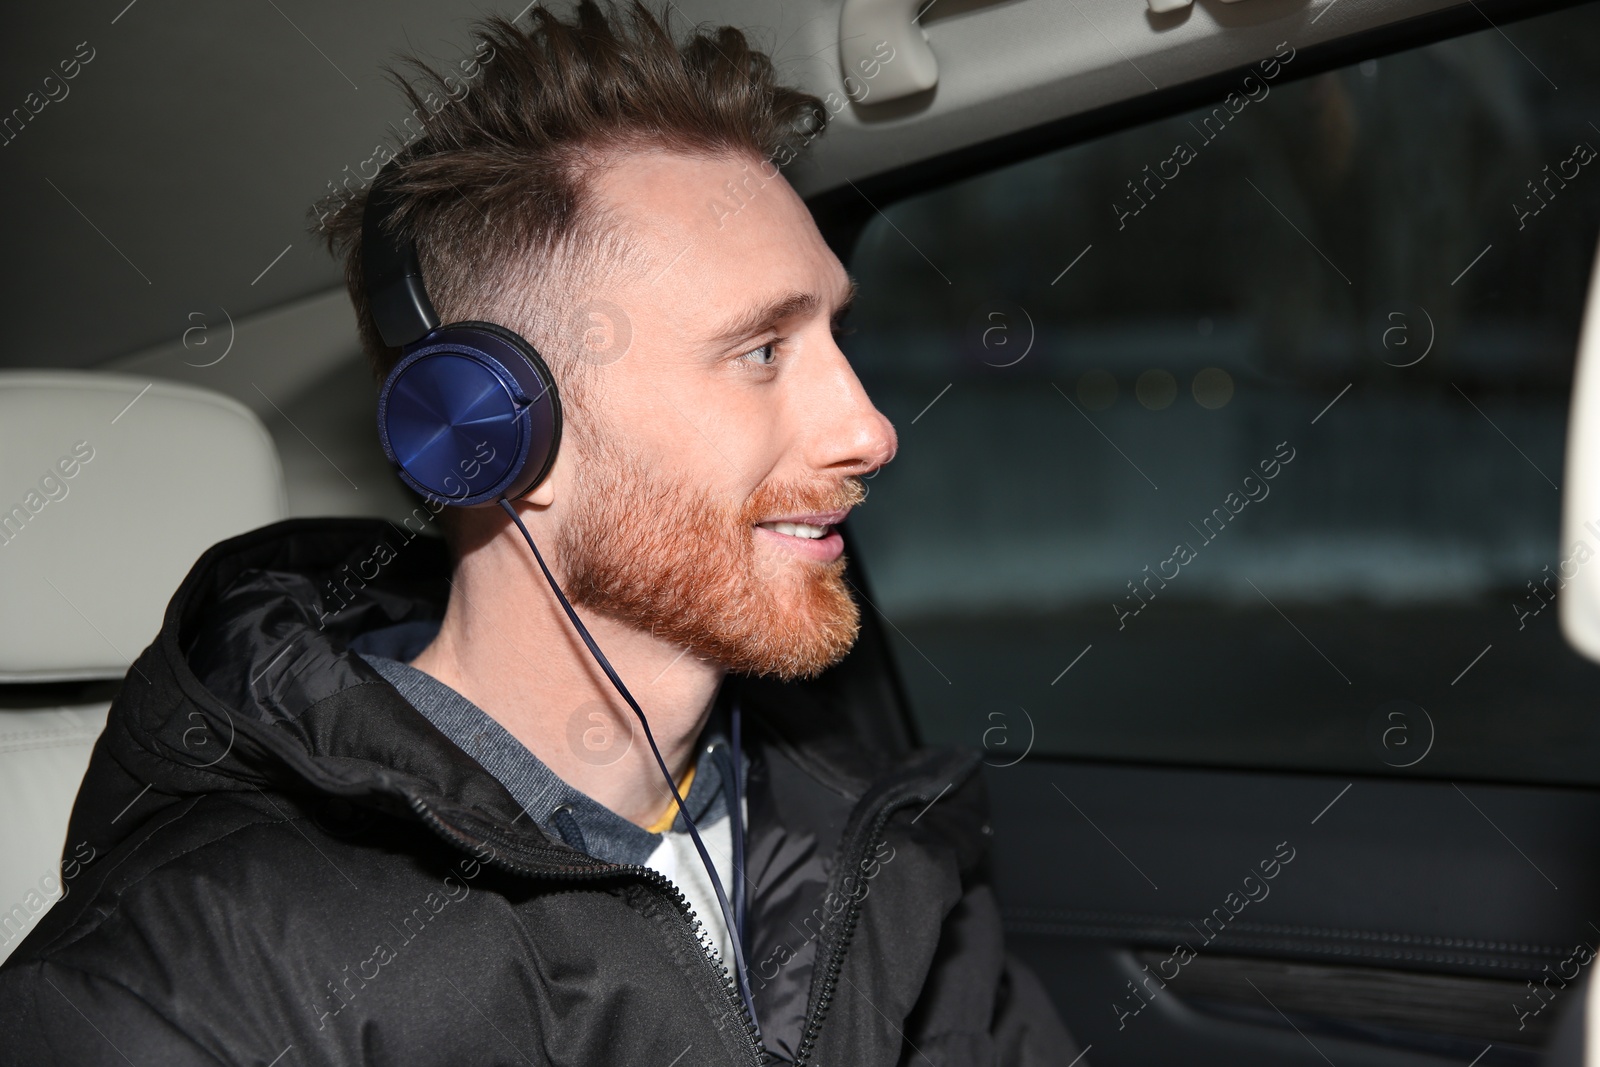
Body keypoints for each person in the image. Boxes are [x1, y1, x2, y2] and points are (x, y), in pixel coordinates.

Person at [0, 3, 1080, 1063]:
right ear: (489, 431)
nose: (870, 430)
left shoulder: (864, 830)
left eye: (833, 337)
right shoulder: (198, 985)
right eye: (759, 351)